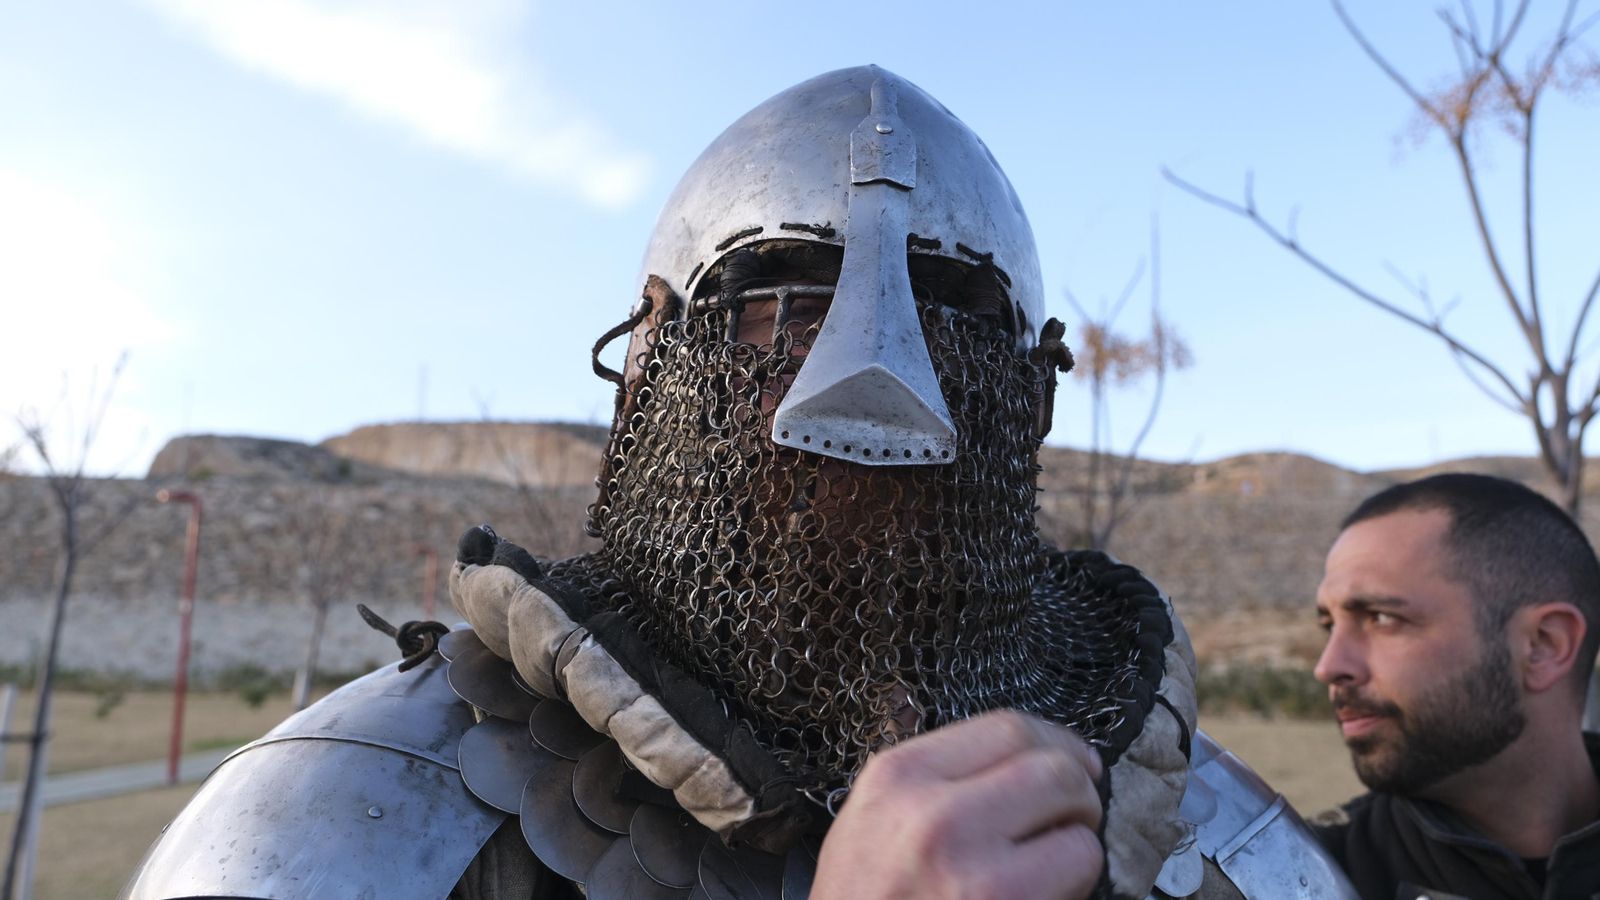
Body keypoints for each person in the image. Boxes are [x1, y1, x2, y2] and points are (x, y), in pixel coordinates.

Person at [122, 66, 1351, 900]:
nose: (876, 381)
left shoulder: (1221, 842)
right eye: (785, 301)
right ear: (649, 368)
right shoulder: (343, 819)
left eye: (950, 313)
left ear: (1028, 393)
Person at [1310, 473, 1600, 899]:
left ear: (1543, 646)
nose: (1328, 666)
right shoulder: (1304, 875)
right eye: (1329, 625)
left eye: (1382, 618)